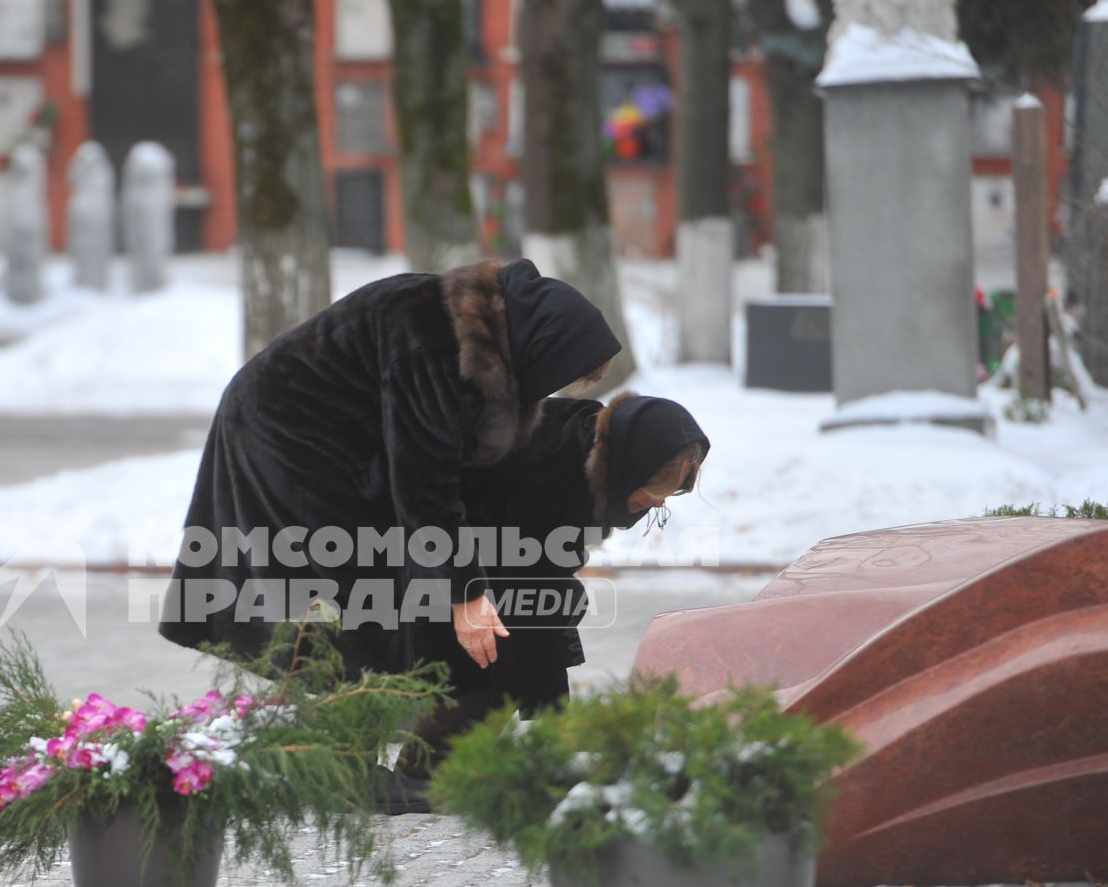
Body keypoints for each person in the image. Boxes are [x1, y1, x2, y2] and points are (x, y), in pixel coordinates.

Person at [159, 256, 620, 686]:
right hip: (284, 430)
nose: (548, 392)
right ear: (539, 347)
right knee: (344, 583)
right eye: (557, 376)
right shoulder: (435, 351)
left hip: (338, 432)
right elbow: (425, 488)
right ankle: (332, 721)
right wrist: (468, 597)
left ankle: (352, 713)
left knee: (377, 579)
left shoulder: (474, 329)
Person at [381, 392, 710, 800]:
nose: (658, 502)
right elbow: (532, 593)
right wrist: (553, 718)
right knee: (489, 656)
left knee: (508, 650)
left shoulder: (596, 454)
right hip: (417, 536)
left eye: (670, 493)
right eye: (654, 488)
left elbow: (545, 581)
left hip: (483, 552)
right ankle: (420, 775)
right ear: (632, 466)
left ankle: (437, 769)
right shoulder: (558, 468)